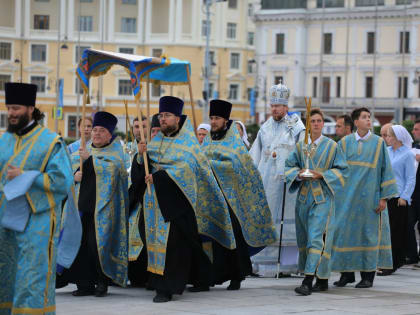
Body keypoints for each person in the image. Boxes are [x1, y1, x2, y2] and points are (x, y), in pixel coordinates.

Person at [131, 96, 236, 303]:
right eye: (161, 115)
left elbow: (187, 168)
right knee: (154, 243)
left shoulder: (188, 143)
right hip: (154, 204)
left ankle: (167, 288)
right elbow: (143, 166)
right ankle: (159, 280)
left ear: (177, 118)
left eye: (167, 115)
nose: (163, 119)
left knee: (173, 247)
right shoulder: (157, 141)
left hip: (178, 204)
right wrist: (139, 156)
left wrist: (159, 177)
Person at [0, 82, 73, 314]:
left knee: (30, 278)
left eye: (16, 108)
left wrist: (27, 177)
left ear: (31, 109)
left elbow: (62, 181)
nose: (11, 113)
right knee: (6, 276)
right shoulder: (4, 141)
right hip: (6, 223)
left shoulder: (50, 142)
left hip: (36, 223)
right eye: (9, 107)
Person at [199, 99, 277, 291]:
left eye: (217, 118)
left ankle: (237, 276)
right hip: (211, 199)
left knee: (233, 238)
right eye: (211, 118)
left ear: (225, 120)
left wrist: (211, 166)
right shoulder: (208, 139)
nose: (214, 121)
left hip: (231, 201)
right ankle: (209, 276)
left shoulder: (234, 141)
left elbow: (236, 166)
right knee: (210, 239)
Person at [331, 107, 398, 289]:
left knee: (368, 237)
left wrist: (384, 197)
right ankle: (347, 275)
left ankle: (368, 277)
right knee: (344, 235)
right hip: (346, 200)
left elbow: (386, 171)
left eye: (369, 117)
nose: (368, 120)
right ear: (356, 122)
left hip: (370, 200)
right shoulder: (344, 143)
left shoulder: (378, 143)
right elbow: (336, 170)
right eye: (364, 117)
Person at [65, 111, 129, 297]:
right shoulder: (81, 151)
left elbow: (112, 172)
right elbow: (65, 173)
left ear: (110, 134)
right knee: (81, 246)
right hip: (81, 207)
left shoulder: (115, 153)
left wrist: (89, 161)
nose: (96, 134)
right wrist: (74, 176)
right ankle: (84, 284)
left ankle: (102, 282)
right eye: (94, 130)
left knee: (97, 246)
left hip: (102, 209)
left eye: (101, 131)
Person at [285, 109, 348, 296]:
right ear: (308, 124)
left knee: (316, 238)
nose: (316, 124)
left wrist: (322, 174)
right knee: (305, 239)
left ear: (323, 124)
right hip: (303, 198)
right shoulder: (300, 146)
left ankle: (307, 280)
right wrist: (297, 174)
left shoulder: (332, 146)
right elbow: (289, 166)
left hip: (322, 199)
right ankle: (322, 279)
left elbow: (342, 170)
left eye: (319, 120)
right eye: (312, 121)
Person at [250, 83, 305, 277]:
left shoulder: (297, 126)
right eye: (272, 105)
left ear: (286, 107)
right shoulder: (264, 128)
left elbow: (303, 152)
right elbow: (254, 156)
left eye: (279, 105)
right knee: (269, 222)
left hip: (288, 184)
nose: (275, 109)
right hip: (267, 184)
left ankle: (289, 266)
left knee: (287, 225)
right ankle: (264, 266)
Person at [376, 125, 416, 276]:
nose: (387, 138)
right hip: (385, 196)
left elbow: (411, 178)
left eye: (389, 135)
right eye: (386, 135)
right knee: (384, 231)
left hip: (399, 198)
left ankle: (393, 263)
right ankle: (383, 261)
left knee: (396, 232)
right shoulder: (386, 152)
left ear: (398, 137)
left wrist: (405, 197)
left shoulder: (407, 154)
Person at [408, 119, 420, 263]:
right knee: (409, 223)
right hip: (414, 193)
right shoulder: (413, 147)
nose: (413, 132)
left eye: (416, 129)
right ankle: (411, 255)